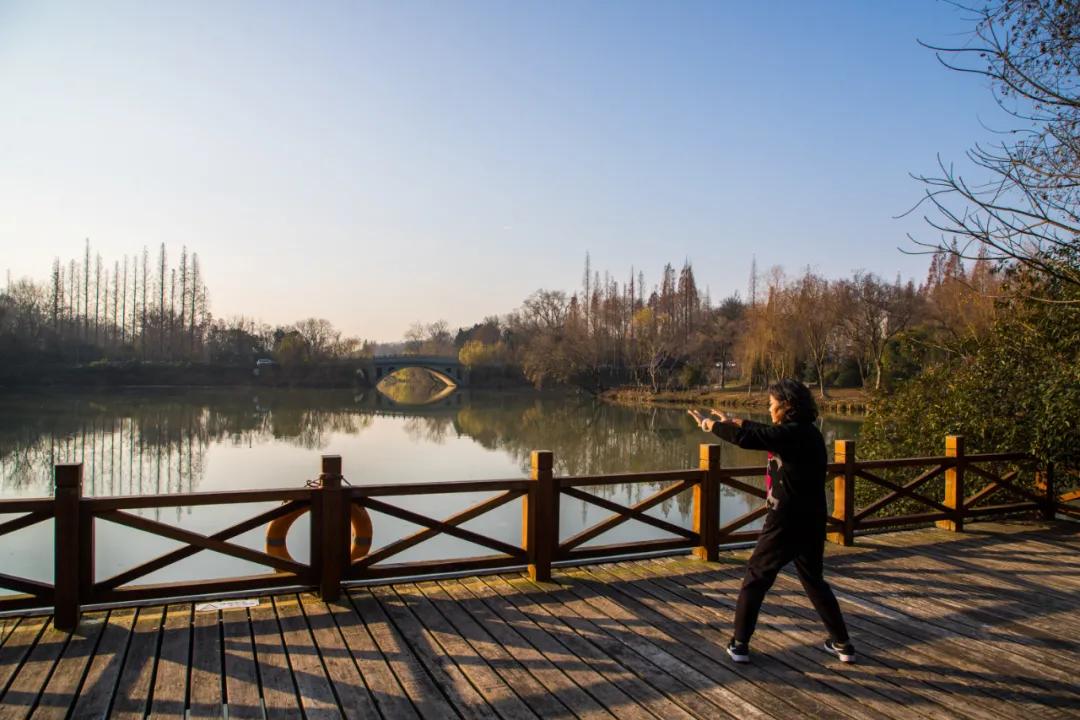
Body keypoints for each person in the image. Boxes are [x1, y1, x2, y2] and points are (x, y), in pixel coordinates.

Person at [688, 378, 855, 664]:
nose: (769, 408)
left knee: (755, 577)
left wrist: (712, 426)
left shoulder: (790, 435)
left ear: (786, 405)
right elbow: (763, 433)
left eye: (772, 403)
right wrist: (735, 420)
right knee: (815, 581)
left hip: (785, 520)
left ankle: (739, 644)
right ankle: (842, 644)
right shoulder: (808, 433)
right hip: (812, 519)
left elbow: (750, 439)